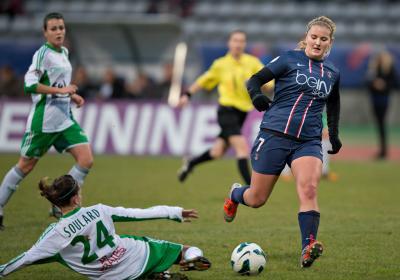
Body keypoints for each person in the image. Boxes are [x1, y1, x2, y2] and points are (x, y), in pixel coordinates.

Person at [223, 16, 342, 268]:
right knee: (256, 198)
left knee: (309, 189)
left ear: (330, 43)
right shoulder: (289, 58)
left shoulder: (332, 72)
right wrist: (256, 96)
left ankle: (308, 247)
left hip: (308, 141)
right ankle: (235, 194)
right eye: (314, 37)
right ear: (306, 37)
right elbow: (254, 80)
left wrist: (333, 133)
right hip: (274, 134)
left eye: (323, 39)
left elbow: (333, 103)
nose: (317, 42)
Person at [0, 175, 211, 279]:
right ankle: (190, 258)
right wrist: (173, 212)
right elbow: (138, 214)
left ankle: (156, 276)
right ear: (75, 199)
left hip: (109, 276)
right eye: (79, 192)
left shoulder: (55, 235)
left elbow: (27, 258)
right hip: (135, 255)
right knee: (184, 249)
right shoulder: (99, 210)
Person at [0, 12, 93, 230]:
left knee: (86, 159)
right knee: (25, 165)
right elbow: (29, 85)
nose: (59, 31)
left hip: (64, 119)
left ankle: (61, 204)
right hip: (45, 121)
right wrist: (62, 91)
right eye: (53, 28)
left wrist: (72, 95)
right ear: (45, 32)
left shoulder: (64, 52)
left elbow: (60, 83)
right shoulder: (42, 54)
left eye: (61, 27)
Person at [177, 30, 273, 185]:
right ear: (229, 43)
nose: (238, 44)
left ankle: (190, 163)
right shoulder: (220, 64)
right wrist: (187, 94)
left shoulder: (252, 62)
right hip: (226, 110)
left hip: (242, 113)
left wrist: (261, 86)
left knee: (217, 152)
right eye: (235, 40)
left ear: (244, 44)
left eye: (241, 41)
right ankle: (251, 188)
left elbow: (269, 84)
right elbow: (202, 81)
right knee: (242, 148)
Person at [366, 50, 397, 160]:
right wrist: (374, 84)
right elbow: (367, 83)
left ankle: (384, 151)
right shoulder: (373, 69)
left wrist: (383, 85)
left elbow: (394, 83)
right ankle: (382, 150)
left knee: (382, 124)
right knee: (379, 124)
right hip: (375, 99)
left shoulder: (389, 69)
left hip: (384, 100)